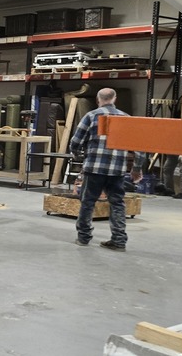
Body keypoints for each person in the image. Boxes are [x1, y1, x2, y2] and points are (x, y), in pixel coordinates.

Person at [69, 88, 143, 251]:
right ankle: (118, 240)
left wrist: (77, 156)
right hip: (117, 170)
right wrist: (136, 169)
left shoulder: (91, 116)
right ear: (114, 99)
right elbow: (140, 148)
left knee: (87, 202)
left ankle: (83, 238)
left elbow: (75, 141)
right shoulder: (127, 119)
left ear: (98, 100)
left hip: (94, 168)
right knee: (117, 204)